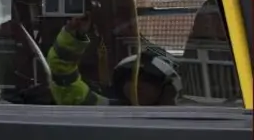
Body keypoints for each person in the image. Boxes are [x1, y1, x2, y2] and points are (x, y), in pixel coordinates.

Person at [48, 13, 181, 106]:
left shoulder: (187, 118)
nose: (137, 84)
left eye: (148, 79)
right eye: (129, 78)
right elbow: (65, 83)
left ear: (167, 89)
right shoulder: (106, 110)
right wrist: (73, 36)